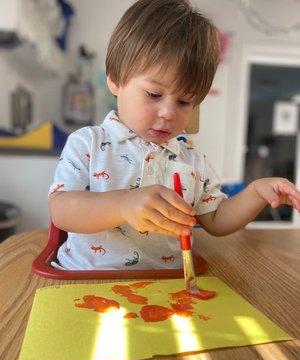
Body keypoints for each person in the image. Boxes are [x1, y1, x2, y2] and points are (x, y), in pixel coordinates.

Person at [49, 0, 300, 271]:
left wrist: (256, 193)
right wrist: (123, 204)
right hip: (84, 280)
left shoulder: (191, 159)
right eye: (154, 94)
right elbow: (62, 211)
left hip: (166, 287)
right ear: (115, 80)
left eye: (184, 102)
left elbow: (216, 220)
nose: (169, 112)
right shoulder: (89, 143)